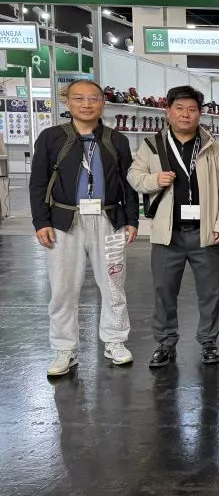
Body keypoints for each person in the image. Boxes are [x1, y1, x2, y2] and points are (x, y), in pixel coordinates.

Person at [30, 79, 139, 376]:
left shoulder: (116, 140)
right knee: (63, 289)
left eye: (93, 98)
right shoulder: (51, 138)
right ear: (67, 102)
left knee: (114, 284)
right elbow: (38, 182)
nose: (87, 104)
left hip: (109, 220)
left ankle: (115, 340)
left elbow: (128, 183)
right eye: (79, 98)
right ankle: (64, 348)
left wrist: (132, 220)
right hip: (65, 222)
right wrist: (41, 222)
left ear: (102, 103)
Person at [128, 86, 219, 368]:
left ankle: (209, 341)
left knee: (210, 292)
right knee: (164, 291)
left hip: (205, 232)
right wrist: (154, 180)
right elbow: (134, 176)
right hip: (168, 235)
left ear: (200, 114)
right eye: (179, 109)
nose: (185, 115)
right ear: (168, 112)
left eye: (191, 109)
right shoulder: (152, 145)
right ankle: (165, 343)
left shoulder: (215, 148)